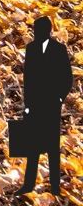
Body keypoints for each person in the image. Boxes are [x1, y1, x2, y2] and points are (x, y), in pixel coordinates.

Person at [22, 16, 72, 194]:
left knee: (52, 145)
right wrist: (27, 104)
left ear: (48, 30)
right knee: (32, 145)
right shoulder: (31, 48)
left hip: (51, 104)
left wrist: (59, 98)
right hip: (34, 104)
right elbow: (28, 79)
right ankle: (29, 184)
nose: (37, 33)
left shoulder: (59, 49)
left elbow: (67, 78)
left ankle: (55, 186)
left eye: (40, 29)